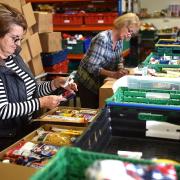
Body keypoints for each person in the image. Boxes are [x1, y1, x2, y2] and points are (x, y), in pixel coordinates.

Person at [0, 3, 77, 150]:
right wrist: (41, 103)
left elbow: (30, 91)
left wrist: (54, 84)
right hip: (6, 141)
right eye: (14, 38)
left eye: (20, 39)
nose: (17, 45)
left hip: (25, 131)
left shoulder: (14, 57)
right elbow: (2, 110)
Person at [76, 13, 140, 109]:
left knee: (101, 111)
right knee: (91, 114)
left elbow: (119, 59)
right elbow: (91, 67)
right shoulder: (103, 39)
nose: (129, 35)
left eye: (131, 33)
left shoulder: (119, 40)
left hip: (100, 80)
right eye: (129, 31)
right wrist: (113, 74)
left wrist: (121, 69)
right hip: (88, 82)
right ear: (123, 24)